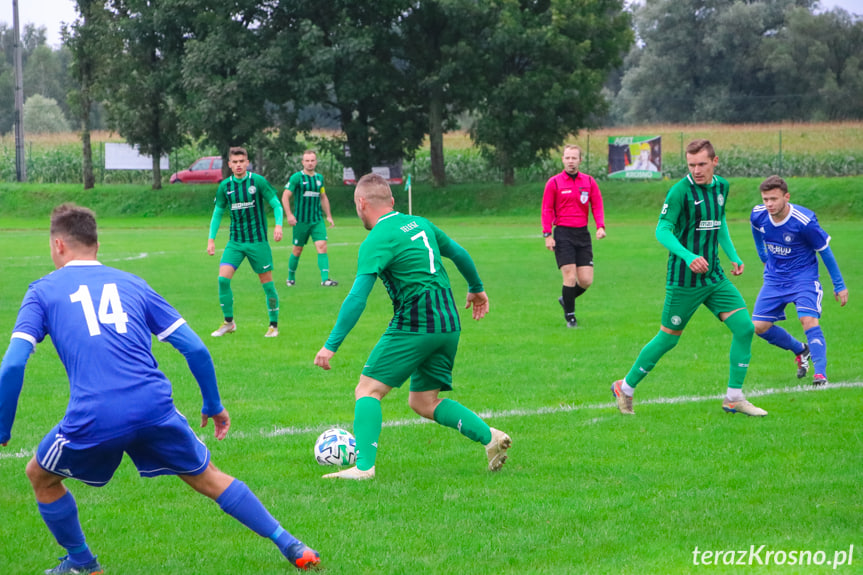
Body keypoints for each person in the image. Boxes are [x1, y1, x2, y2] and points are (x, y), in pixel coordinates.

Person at [0, 204, 320, 574]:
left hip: (95, 412)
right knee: (208, 477)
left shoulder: (42, 291)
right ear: (97, 244)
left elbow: (12, 364)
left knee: (40, 476)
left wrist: (4, 427)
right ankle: (292, 544)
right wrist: (213, 403)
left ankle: (83, 564)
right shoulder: (134, 284)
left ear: (58, 244)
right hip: (154, 405)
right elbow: (195, 347)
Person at [313, 173, 511, 480]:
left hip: (417, 320)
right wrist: (476, 288)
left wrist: (331, 344)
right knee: (423, 401)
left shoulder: (376, 239)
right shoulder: (419, 223)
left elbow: (357, 298)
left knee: (367, 390)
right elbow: (458, 253)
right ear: (392, 202)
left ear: (360, 203)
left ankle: (364, 467)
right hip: (448, 321)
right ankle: (490, 438)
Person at [611, 139, 767, 417]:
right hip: (684, 281)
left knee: (744, 328)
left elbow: (718, 223)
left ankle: (734, 397)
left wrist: (733, 255)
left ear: (714, 162)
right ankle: (626, 387)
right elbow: (662, 230)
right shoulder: (680, 191)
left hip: (715, 278)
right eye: (691, 164)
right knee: (668, 339)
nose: (696, 170)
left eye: (702, 164)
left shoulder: (722, 187)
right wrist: (688, 256)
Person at [750, 175, 848, 385]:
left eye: (774, 199)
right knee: (758, 326)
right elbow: (757, 231)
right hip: (775, 279)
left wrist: (839, 285)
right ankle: (801, 350)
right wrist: (763, 256)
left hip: (803, 278)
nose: (769, 204)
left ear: (787, 197)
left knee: (808, 320)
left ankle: (820, 373)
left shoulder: (804, 222)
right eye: (765, 199)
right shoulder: (759, 214)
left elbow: (825, 251)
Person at [207, 146, 284, 338]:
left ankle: (273, 325)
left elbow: (276, 204)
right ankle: (229, 322)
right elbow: (217, 213)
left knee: (267, 284)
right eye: (235, 162)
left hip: (257, 242)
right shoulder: (225, 186)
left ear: (247, 163)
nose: (239, 165)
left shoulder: (257, 182)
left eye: (242, 161)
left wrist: (279, 225)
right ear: (229, 165)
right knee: (222, 279)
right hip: (235, 242)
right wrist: (211, 239)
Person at [541, 144, 606, 328]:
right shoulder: (554, 183)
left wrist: (600, 226)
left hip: (582, 234)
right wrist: (547, 234)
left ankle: (566, 299)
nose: (571, 161)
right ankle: (571, 317)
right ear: (563, 159)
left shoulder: (589, 182)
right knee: (569, 277)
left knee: (586, 280)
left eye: (574, 158)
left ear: (580, 160)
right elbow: (547, 209)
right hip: (563, 233)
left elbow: (597, 205)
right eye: (567, 158)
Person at [282, 150, 338, 287]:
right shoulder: (296, 178)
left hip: (317, 220)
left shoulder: (319, 179)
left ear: (316, 162)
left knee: (322, 246)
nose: (310, 163)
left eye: (312, 160)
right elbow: (285, 196)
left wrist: (329, 216)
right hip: (300, 221)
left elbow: (323, 197)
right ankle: (290, 277)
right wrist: (289, 215)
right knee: (297, 249)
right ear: (303, 162)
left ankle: (325, 279)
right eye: (307, 160)